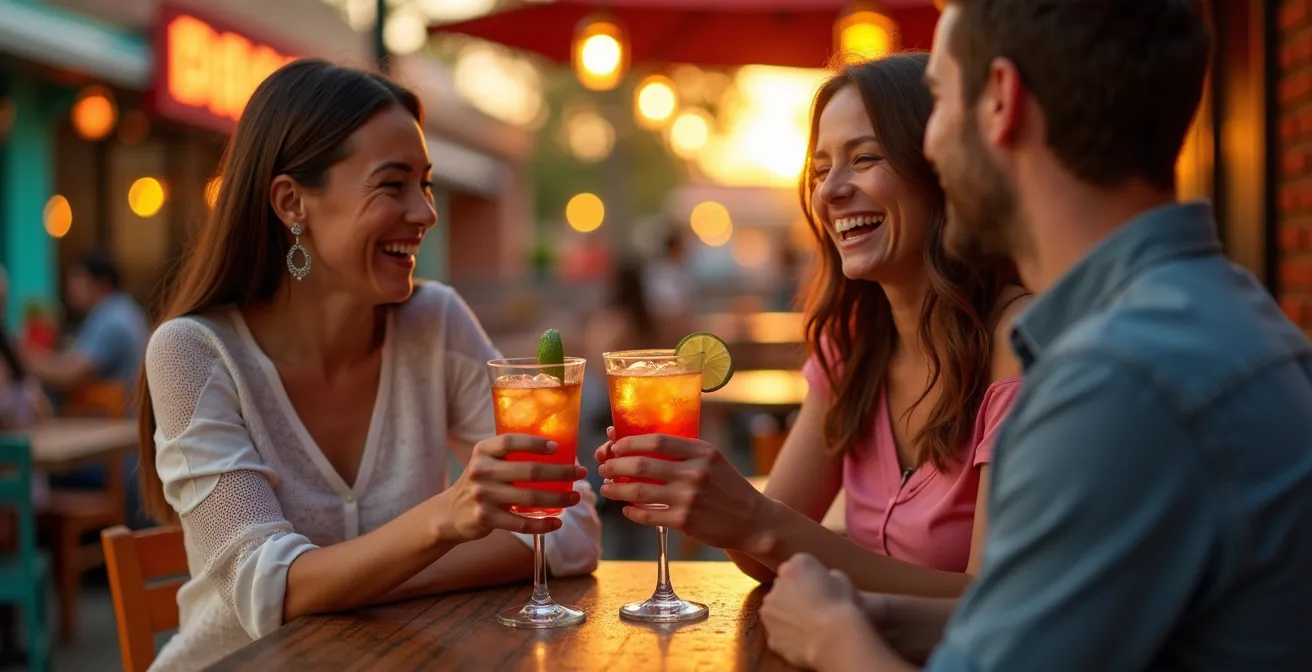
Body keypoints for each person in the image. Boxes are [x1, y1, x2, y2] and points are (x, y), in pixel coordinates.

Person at [759, 1, 1312, 670]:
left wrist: (830, 636)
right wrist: (874, 613)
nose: (930, 146)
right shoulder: (1219, 314)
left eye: (936, 101)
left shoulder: (1114, 377)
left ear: (1001, 102)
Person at [136, 59, 600, 671]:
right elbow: (269, 592)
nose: (426, 213)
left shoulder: (435, 322)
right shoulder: (194, 353)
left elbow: (570, 529)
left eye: (426, 185)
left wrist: (351, 578)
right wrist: (443, 521)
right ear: (291, 202)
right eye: (393, 184)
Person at [596, 53, 1028, 596]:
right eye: (821, 170)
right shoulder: (851, 343)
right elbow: (762, 560)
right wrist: (718, 505)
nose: (829, 191)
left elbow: (995, 605)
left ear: (943, 169)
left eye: (865, 158)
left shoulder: (1019, 342)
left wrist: (756, 519)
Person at [25, 252, 148, 402]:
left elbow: (70, 373)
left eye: (78, 279)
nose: (70, 287)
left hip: (115, 418)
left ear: (102, 283)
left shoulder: (113, 320)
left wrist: (23, 358)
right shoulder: (121, 308)